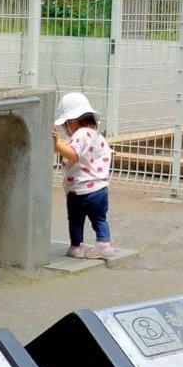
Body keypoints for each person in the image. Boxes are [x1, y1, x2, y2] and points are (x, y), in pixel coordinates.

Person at [52, 91, 115, 259]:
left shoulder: (80, 134)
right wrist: (59, 146)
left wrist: (57, 144)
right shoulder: (96, 135)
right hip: (100, 189)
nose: (66, 129)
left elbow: (72, 154)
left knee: (75, 219)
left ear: (73, 121)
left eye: (66, 125)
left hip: (80, 189)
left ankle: (76, 246)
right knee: (99, 219)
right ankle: (104, 244)